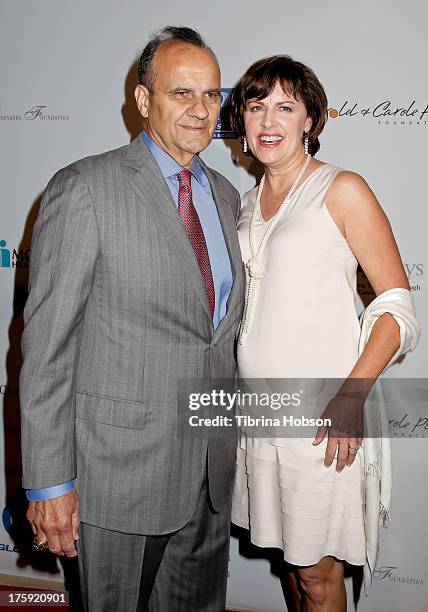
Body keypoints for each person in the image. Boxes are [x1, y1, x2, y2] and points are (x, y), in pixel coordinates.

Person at [20, 26, 245, 612]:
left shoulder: (224, 195)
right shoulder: (85, 189)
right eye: (181, 93)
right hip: (117, 477)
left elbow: (215, 335)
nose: (200, 110)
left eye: (212, 94)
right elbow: (46, 349)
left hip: (209, 472)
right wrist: (49, 483)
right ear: (144, 101)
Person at [230, 55, 420, 611]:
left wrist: (351, 394)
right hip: (258, 417)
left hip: (321, 420)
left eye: (285, 107)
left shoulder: (342, 189)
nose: (268, 120)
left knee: (317, 576)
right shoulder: (243, 206)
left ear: (310, 120)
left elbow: (396, 307)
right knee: (291, 568)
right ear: (240, 118)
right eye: (256, 105)